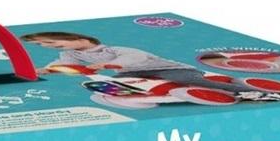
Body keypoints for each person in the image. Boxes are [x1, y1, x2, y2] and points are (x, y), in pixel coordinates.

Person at [20, 30, 263, 97]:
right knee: (112, 85)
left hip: (164, 69)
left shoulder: (112, 50)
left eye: (53, 43)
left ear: (81, 39)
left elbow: (134, 58)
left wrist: (106, 65)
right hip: (135, 77)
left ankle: (247, 91)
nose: (50, 47)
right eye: (44, 45)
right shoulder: (72, 56)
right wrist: (45, 70)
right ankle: (151, 97)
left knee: (187, 80)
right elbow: (62, 64)